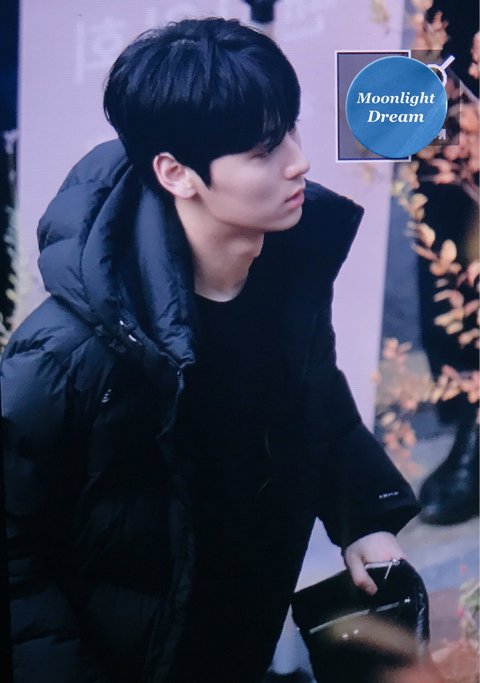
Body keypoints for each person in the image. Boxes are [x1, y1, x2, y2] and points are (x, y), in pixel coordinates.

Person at [1, 17, 419, 683]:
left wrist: (363, 516)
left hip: (238, 637)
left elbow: (314, 396)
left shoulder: (283, 274)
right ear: (176, 172)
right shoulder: (65, 353)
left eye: (290, 131)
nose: (298, 161)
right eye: (262, 151)